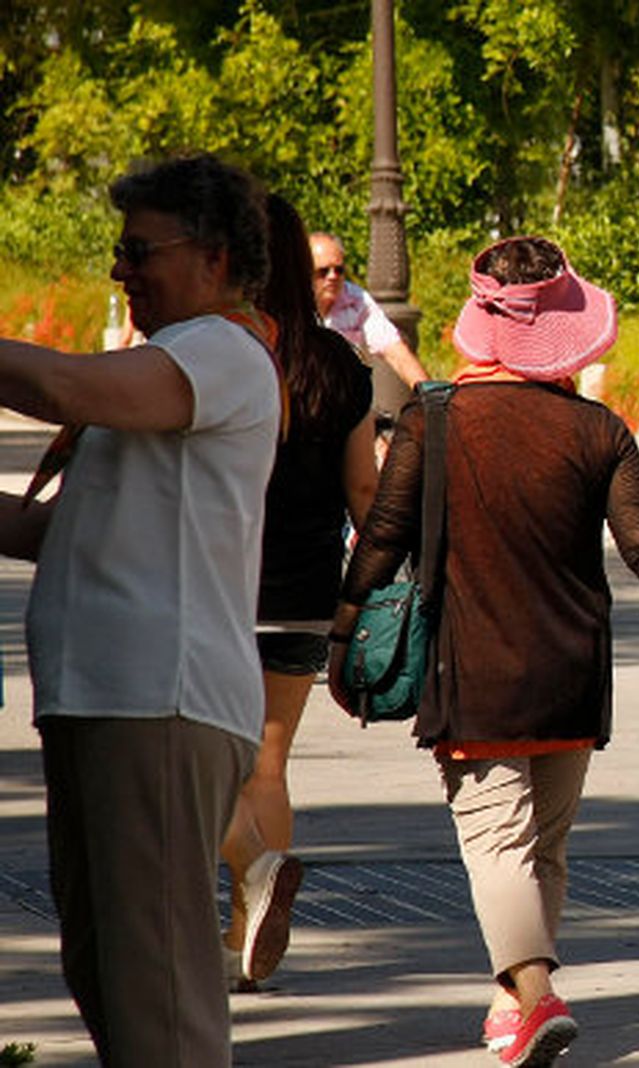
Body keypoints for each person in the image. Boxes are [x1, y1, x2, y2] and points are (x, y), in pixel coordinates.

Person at [327, 235, 639, 1068]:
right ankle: (512, 1000)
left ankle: (537, 994)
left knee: (496, 843)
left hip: (472, 667)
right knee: (543, 847)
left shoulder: (432, 421)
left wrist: (344, 627)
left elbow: (382, 539)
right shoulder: (598, 430)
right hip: (572, 667)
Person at [0, 152, 278, 1064]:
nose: (121, 270)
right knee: (110, 974)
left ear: (213, 258)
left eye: (138, 250)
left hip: (159, 699)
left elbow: (63, 388)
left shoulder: (222, 351)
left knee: (157, 995)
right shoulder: (173, 360)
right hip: (108, 698)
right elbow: (65, 532)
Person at [219, 194, 379, 989]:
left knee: (197, 765)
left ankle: (248, 882)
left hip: (217, 586)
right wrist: (369, 594)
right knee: (269, 764)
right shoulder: (340, 364)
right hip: (306, 588)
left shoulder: (225, 350)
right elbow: (364, 492)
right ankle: (250, 930)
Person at [310, 231, 428, 390]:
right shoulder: (286, 303)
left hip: (340, 397)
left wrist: (429, 393)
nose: (333, 277)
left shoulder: (357, 300)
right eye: (323, 271)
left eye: (339, 270)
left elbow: (397, 354)